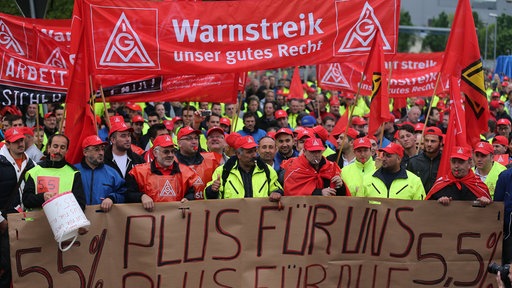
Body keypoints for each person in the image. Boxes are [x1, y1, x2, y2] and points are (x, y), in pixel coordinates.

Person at [126, 135, 201, 211]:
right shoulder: (138, 172)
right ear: (155, 153)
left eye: (172, 151)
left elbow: (193, 192)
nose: (170, 155)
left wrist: (188, 199)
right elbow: (128, 194)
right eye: (166, 152)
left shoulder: (187, 172)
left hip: (177, 219)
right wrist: (141, 196)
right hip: (149, 219)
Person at [0, 127, 36, 288]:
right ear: (7, 144)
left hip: (25, 222)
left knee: (25, 265)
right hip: (5, 223)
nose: (20, 144)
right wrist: (1, 220)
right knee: (6, 267)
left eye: (21, 140)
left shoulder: (32, 163)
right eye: (15, 142)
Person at [204, 135, 283, 201]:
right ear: (238, 154)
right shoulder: (223, 171)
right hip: (233, 218)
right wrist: (212, 190)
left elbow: (276, 188)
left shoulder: (267, 170)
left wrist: (277, 192)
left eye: (254, 151)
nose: (254, 155)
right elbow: (210, 199)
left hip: (259, 218)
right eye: (249, 152)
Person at [22, 134, 86, 210]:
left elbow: (80, 204)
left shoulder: (74, 173)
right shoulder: (34, 171)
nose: (58, 151)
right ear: (48, 148)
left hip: (62, 220)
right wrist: (42, 197)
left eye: (62, 148)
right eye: (55, 146)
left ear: (67, 151)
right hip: (37, 220)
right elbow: (26, 200)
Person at [281, 138, 349, 196]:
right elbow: (292, 193)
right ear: (304, 151)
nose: (316, 155)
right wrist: (320, 193)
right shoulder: (294, 168)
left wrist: (340, 186)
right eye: (312, 152)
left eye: (318, 151)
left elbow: (341, 197)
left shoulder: (331, 167)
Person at [75, 135, 126, 212]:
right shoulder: (74, 171)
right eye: (96, 149)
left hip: (103, 220)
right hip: (78, 219)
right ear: (85, 152)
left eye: (102, 149)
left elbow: (124, 192)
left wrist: (111, 198)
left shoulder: (112, 173)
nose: (101, 153)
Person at [426, 146, 491, 205]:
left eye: (461, 162)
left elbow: (491, 211)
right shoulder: (441, 183)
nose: (456, 166)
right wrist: (438, 202)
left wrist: (486, 202)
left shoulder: (478, 185)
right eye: (453, 162)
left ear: (470, 163)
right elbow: (426, 208)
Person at [360, 142, 425, 200]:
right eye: (383, 155)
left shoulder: (414, 181)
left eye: (388, 156)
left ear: (398, 159)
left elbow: (420, 208)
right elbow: (359, 206)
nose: (384, 159)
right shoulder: (368, 179)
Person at [175, 126, 221, 199]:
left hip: (207, 207)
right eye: (189, 139)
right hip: (182, 207)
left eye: (196, 138)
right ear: (179, 143)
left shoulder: (211, 160)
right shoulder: (171, 163)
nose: (194, 142)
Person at [407, 127, 443, 192]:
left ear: (440, 142)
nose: (429, 144)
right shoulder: (414, 162)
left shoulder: (445, 162)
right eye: (426, 140)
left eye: (433, 141)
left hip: (439, 200)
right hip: (419, 200)